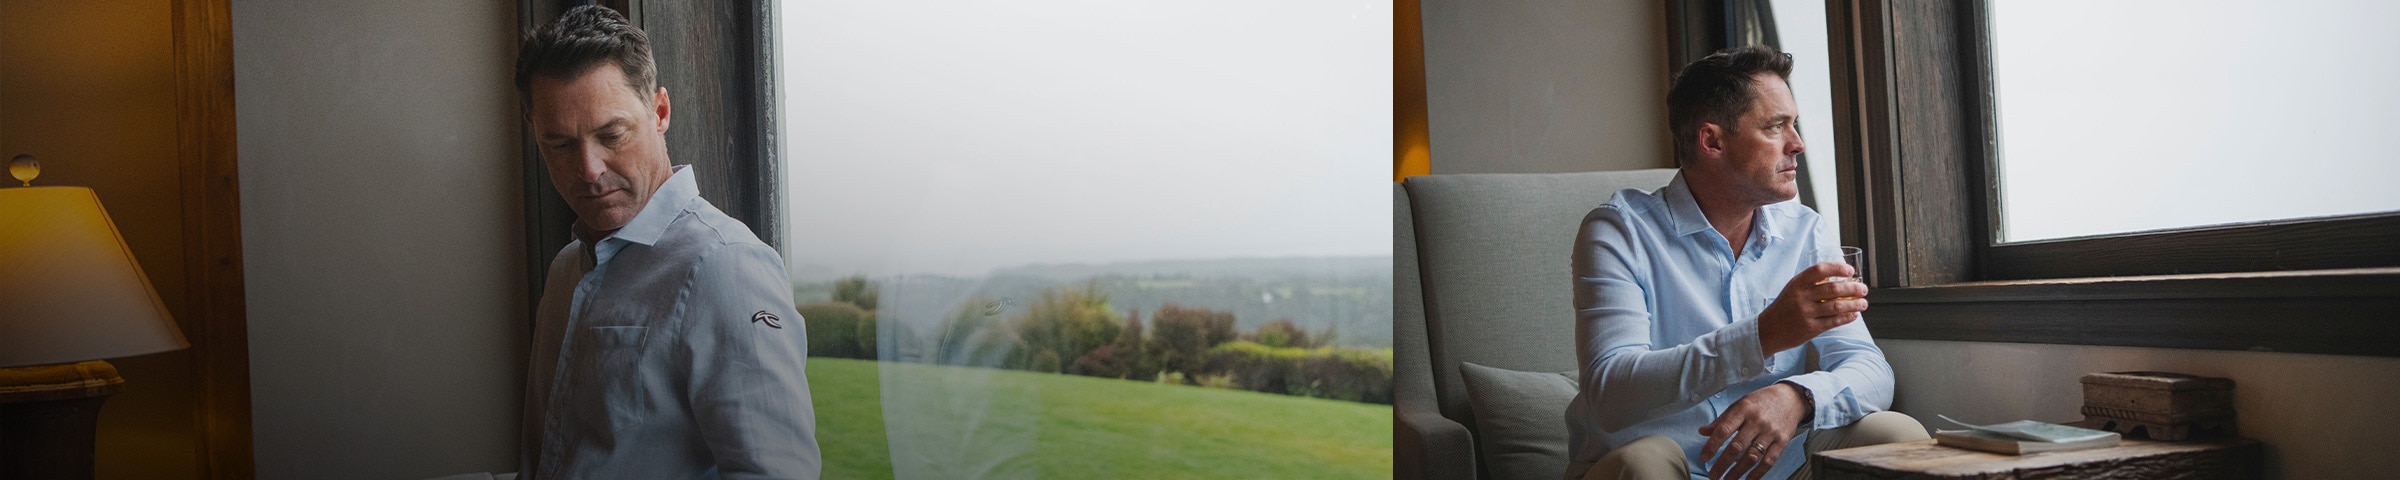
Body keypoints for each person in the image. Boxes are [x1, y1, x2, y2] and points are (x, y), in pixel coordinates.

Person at [1564, 45, 1926, 480]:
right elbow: (1610, 391)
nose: (1798, 144)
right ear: (1712, 140)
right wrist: (1763, 335)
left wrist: (1796, 397)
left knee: (1897, 434)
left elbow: (1869, 369)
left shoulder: (1805, 231)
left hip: (1780, 468)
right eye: (1776, 127)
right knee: (1646, 463)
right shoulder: (1618, 231)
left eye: (1793, 124)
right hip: (1651, 466)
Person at [513, 6, 818, 479]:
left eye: (611, 134)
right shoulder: (565, 270)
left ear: (660, 112)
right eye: (560, 144)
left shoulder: (726, 267)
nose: (589, 169)